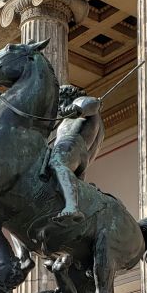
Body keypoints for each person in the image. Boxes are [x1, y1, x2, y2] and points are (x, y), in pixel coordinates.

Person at [47, 85, 105, 225]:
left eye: (59, 102)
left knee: (57, 162)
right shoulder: (65, 121)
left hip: (74, 148)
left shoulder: (80, 102)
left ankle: (72, 207)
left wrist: (78, 109)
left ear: (67, 98)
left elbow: (94, 103)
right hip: (73, 159)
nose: (59, 108)